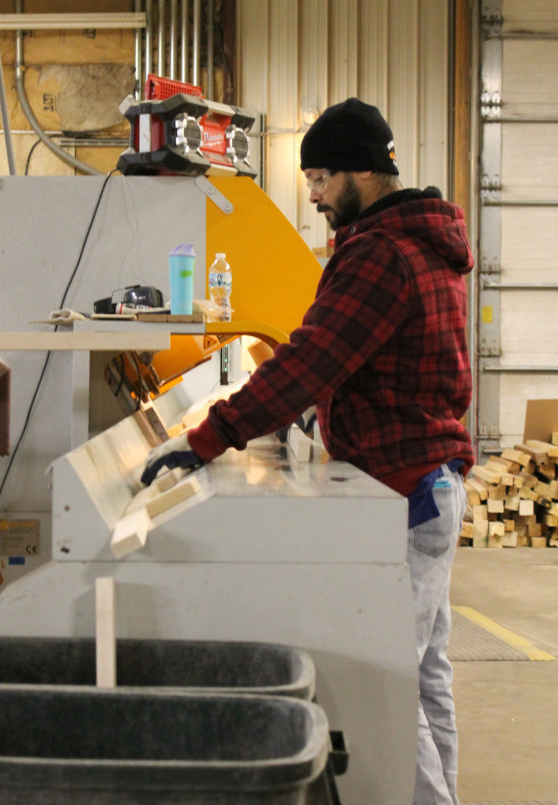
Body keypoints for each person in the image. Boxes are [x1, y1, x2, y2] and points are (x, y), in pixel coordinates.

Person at [142, 97, 474, 805]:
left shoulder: (379, 253)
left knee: (390, 683)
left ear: (362, 170)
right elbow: (342, 366)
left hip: (405, 492)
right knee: (423, 677)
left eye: (321, 177)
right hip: (428, 484)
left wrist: (205, 439)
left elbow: (312, 360)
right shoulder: (417, 241)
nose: (316, 195)